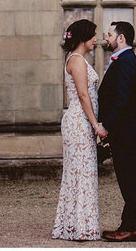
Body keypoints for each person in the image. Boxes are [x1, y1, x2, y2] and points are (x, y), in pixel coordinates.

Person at [52, 19, 109, 241]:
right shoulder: (76, 61)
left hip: (82, 121)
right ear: (84, 37)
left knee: (83, 172)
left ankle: (78, 225)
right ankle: (78, 227)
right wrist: (96, 124)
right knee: (79, 173)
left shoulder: (80, 60)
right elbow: (84, 95)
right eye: (93, 35)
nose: (96, 39)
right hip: (78, 121)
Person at [98, 20, 136, 243]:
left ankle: (131, 228)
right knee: (127, 179)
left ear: (121, 38)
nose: (105, 39)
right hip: (125, 131)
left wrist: (106, 126)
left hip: (126, 132)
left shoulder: (126, 60)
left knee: (129, 180)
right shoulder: (123, 59)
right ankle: (130, 226)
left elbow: (124, 99)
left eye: (109, 34)